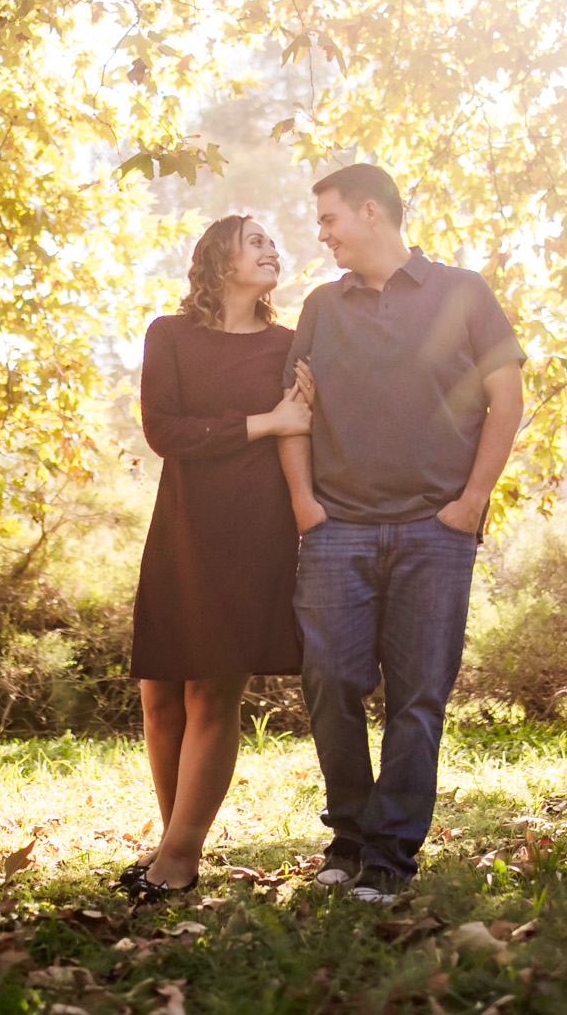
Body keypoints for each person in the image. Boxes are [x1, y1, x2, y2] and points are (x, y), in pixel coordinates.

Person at [279, 163, 525, 904]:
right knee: (329, 684)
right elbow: (294, 412)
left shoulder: (464, 293)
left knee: (419, 695)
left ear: (371, 213)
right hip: (336, 530)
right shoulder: (322, 306)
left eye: (329, 219)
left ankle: (390, 854)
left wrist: (470, 503)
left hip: (435, 530)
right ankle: (349, 834)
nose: (321, 234)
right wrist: (304, 507)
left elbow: (506, 399)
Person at [122, 214, 313, 901]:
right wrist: (265, 422)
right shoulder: (168, 335)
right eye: (257, 239)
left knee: (211, 690)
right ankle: (175, 847)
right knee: (160, 694)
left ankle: (175, 859)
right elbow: (164, 429)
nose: (273, 247)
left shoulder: (292, 346)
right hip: (179, 528)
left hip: (251, 528)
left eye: (274, 239)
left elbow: (313, 425)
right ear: (218, 258)